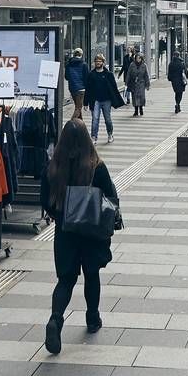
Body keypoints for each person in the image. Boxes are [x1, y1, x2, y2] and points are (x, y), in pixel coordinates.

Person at [40, 119, 119, 355]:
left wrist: (61, 215)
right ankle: (92, 318)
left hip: (66, 232)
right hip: (91, 231)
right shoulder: (96, 166)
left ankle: (56, 319)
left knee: (65, 280)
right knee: (91, 275)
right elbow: (111, 197)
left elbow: (45, 202)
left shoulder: (53, 167)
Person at [84, 55, 123, 143]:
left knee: (107, 119)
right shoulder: (91, 74)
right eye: (96, 61)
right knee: (95, 119)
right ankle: (94, 137)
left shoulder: (108, 74)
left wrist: (116, 100)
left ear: (103, 62)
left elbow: (114, 88)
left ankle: (110, 134)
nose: (98, 63)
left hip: (106, 100)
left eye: (100, 61)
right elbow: (88, 89)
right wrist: (85, 103)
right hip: (95, 100)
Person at [65, 48, 88, 120]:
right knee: (78, 108)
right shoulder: (84, 64)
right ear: (81, 55)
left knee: (77, 107)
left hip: (72, 88)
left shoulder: (69, 64)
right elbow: (86, 77)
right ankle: (70, 125)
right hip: (81, 89)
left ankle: (80, 125)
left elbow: (66, 77)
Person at [126, 52, 150, 117]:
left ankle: (141, 108)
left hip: (141, 83)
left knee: (141, 96)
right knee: (134, 97)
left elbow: (146, 75)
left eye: (139, 58)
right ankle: (136, 110)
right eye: (137, 58)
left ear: (141, 59)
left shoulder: (144, 65)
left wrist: (147, 84)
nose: (138, 59)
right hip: (133, 83)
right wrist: (127, 82)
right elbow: (129, 74)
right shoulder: (132, 65)